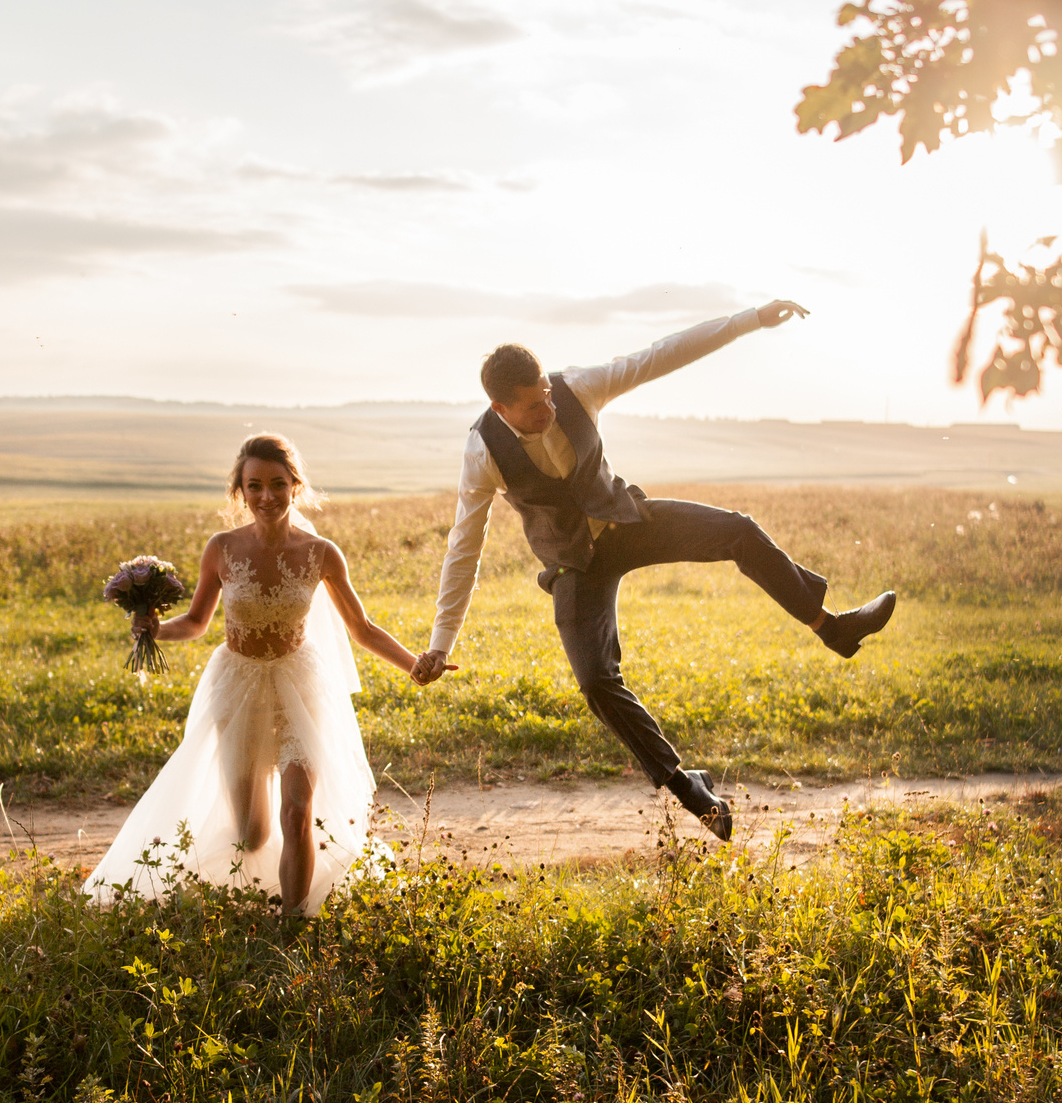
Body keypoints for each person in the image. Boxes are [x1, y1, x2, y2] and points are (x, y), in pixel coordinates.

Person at [409, 301, 896, 841]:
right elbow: (464, 546)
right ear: (500, 407)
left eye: (546, 392)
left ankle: (834, 628)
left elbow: (662, 354)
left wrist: (752, 319)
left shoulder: (578, 388)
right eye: (531, 405)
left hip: (628, 521)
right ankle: (686, 784)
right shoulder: (482, 454)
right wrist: (441, 641)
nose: (546, 405)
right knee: (595, 680)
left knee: (738, 529)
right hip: (574, 564)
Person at [84, 434, 449, 915]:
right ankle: (241, 885)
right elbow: (196, 623)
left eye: (277, 483)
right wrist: (153, 630)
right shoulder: (222, 549)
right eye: (253, 485)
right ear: (239, 490)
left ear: (296, 486)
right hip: (238, 689)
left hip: (300, 685)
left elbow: (361, 628)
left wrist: (414, 665)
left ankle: (295, 929)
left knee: (298, 811)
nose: (266, 496)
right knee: (251, 834)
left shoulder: (322, 553)